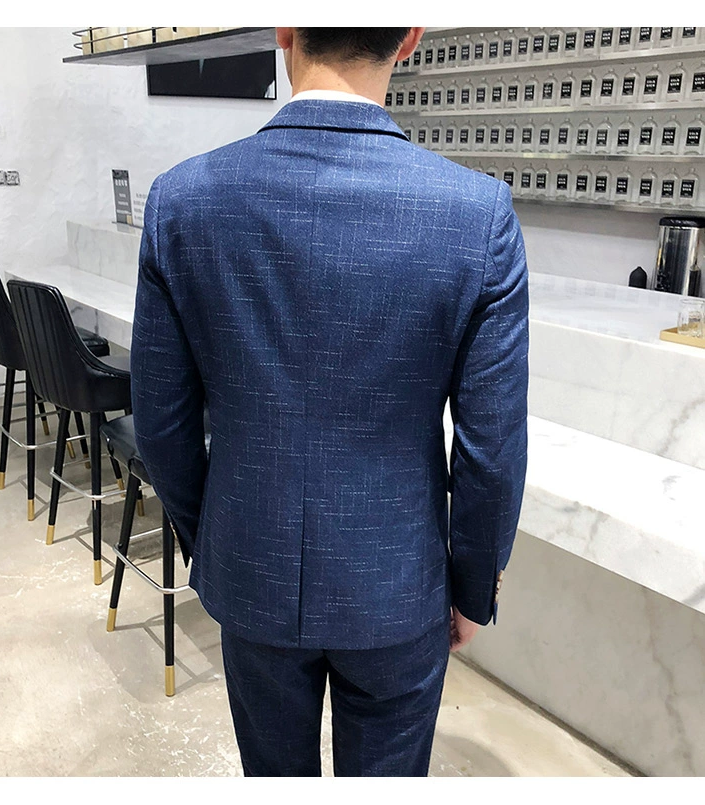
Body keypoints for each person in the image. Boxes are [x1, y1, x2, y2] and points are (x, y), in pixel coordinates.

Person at [130, 27, 529, 777]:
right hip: (398, 585)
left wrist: (213, 541)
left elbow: (160, 423)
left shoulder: (182, 199)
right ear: (410, 38)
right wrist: (474, 587)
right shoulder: (477, 214)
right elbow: (493, 450)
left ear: (285, 29)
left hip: (251, 565)